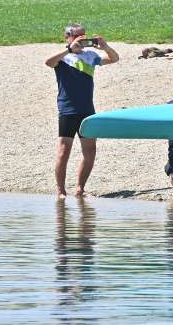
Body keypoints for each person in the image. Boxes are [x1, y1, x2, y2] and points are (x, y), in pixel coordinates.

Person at [45, 24, 119, 198]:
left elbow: (114, 58)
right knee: (64, 151)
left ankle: (80, 188)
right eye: (77, 37)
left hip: (87, 110)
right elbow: (48, 62)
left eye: (83, 37)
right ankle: (61, 190)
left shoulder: (90, 56)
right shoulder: (62, 58)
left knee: (90, 151)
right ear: (68, 37)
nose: (81, 41)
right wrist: (68, 50)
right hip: (67, 110)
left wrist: (105, 46)